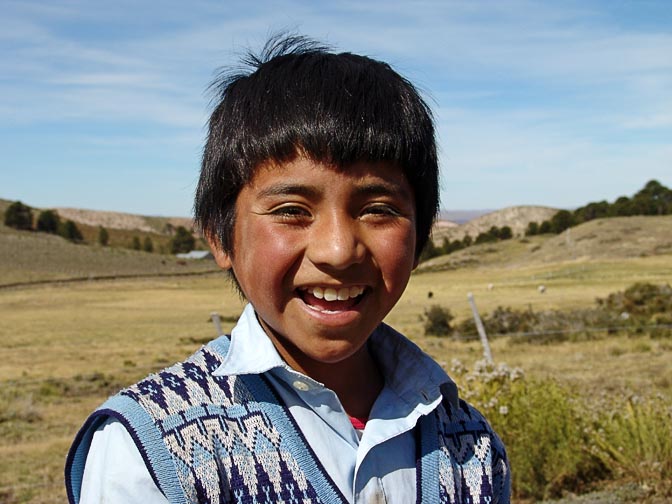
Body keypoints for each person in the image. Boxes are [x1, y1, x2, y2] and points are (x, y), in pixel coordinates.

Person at [65, 33, 510, 503]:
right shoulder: (152, 450)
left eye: (378, 209)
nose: (339, 251)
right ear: (221, 239)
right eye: (291, 211)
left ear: (419, 238)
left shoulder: (469, 444)